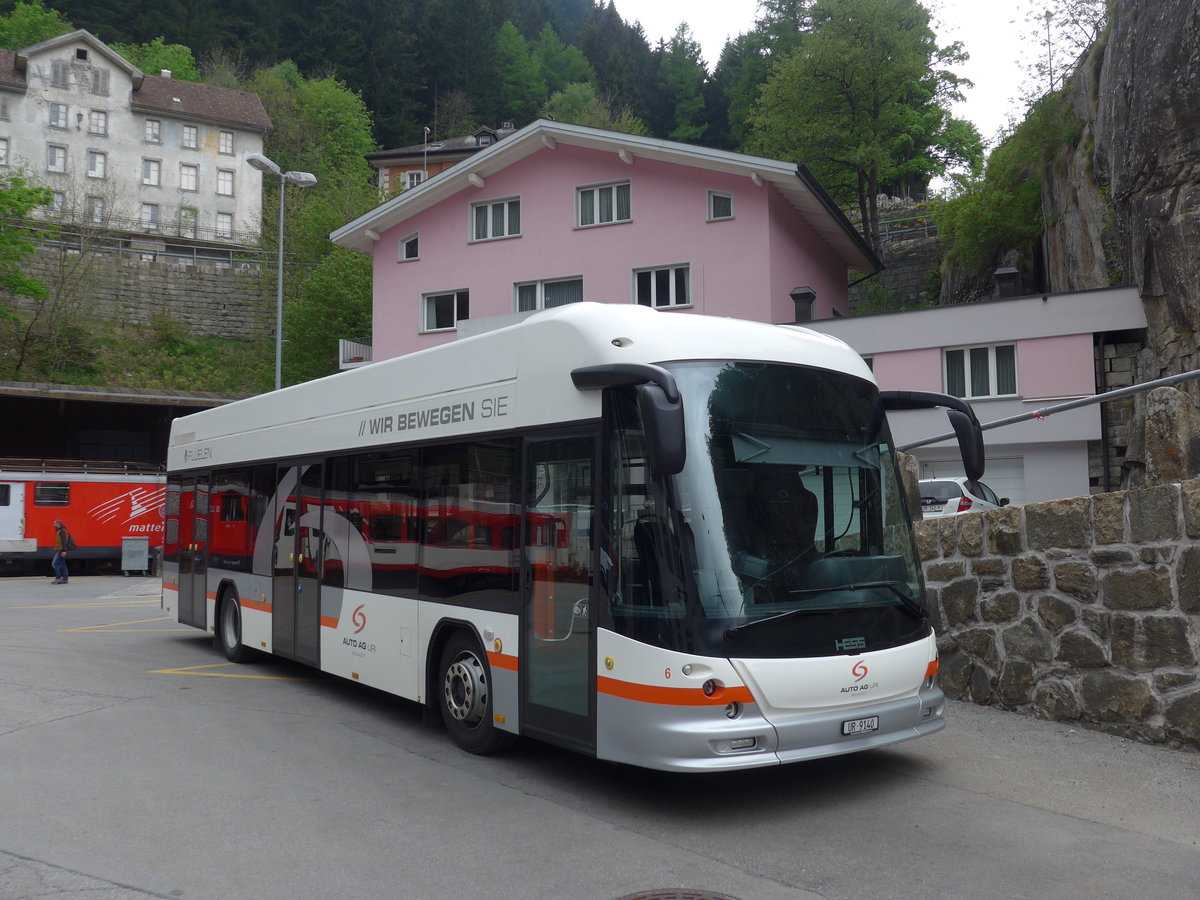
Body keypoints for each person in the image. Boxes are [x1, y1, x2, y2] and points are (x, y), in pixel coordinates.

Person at [51, 519, 70, 585]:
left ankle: (58, 578)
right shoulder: (60, 530)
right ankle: (65, 579)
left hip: (61, 550)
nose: (53, 525)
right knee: (62, 564)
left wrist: (64, 551)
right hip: (59, 549)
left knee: (54, 563)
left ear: (58, 524)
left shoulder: (62, 531)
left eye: (54, 523)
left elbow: (64, 541)